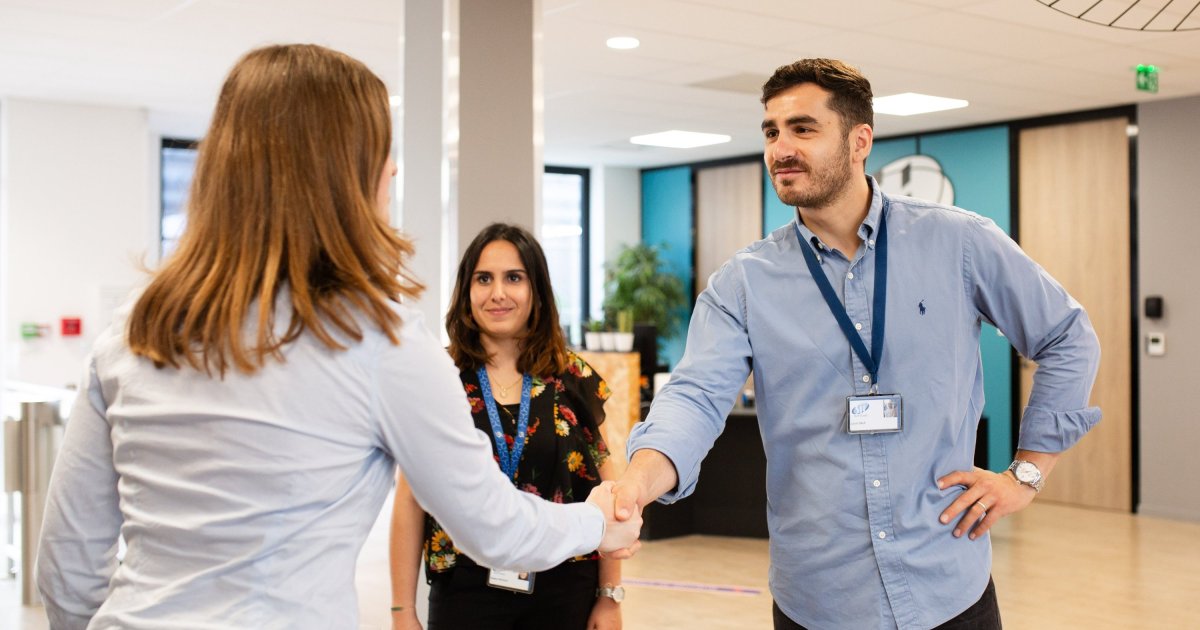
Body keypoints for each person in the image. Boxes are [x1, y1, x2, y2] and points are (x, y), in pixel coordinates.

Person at [34, 44, 640, 630]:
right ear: (339, 172)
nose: (394, 168)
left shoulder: (137, 326)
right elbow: (494, 528)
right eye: (380, 149)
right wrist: (593, 523)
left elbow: (67, 563)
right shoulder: (378, 338)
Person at [612, 58, 1101, 629]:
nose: (780, 148)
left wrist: (1027, 474)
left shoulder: (959, 242)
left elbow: (1067, 335)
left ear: (859, 139)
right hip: (820, 599)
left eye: (803, 128)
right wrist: (636, 485)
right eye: (771, 131)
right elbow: (692, 399)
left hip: (948, 587)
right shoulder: (743, 283)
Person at [390, 223, 624, 630]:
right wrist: (402, 610)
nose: (497, 293)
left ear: (536, 291)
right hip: (464, 590)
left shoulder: (571, 378)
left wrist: (610, 597)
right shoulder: (440, 378)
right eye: (484, 279)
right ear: (466, 292)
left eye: (513, 278)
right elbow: (410, 500)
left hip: (565, 588)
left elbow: (608, 491)